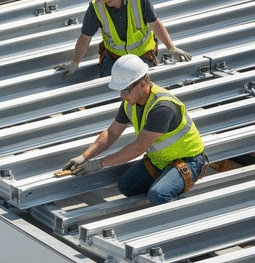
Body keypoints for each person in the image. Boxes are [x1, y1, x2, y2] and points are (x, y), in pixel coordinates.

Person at [62, 54, 208, 205]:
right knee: (126, 187)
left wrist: (99, 163)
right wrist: (84, 157)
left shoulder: (162, 107)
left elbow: (138, 147)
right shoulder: (130, 102)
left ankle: (188, 207)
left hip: (188, 160)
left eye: (126, 90)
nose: (122, 95)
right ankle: (167, 183)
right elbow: (111, 133)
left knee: (158, 194)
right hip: (160, 161)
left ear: (143, 84)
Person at [54, 0, 191, 78]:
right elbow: (85, 37)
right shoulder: (96, 8)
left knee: (139, 88)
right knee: (109, 89)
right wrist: (74, 63)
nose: (107, 0)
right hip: (115, 58)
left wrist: (172, 48)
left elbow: (155, 23)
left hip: (142, 56)